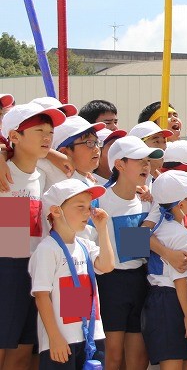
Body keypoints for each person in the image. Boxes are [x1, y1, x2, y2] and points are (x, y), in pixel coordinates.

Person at [0, 102, 66, 369]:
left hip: (35, 268)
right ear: (15, 136)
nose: (47, 137)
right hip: (7, 268)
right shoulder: (5, 173)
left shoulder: (41, 175)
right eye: (39, 131)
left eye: (49, 131)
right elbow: (11, 241)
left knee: (24, 348)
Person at [92, 135, 164, 370]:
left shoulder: (150, 199)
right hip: (109, 282)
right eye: (139, 160)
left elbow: (136, 248)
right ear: (119, 164)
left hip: (140, 279)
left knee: (138, 357)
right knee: (112, 355)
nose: (146, 165)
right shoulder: (99, 200)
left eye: (148, 161)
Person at [30, 179, 114, 369]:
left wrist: (102, 229)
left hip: (92, 336)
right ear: (57, 211)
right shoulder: (48, 248)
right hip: (62, 340)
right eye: (80, 207)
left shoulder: (85, 245)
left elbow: (107, 266)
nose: (88, 212)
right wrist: (54, 337)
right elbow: (41, 296)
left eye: (89, 207)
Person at [142, 171, 187, 370]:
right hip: (177, 297)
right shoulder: (180, 231)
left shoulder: (160, 222)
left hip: (163, 296)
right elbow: (182, 279)